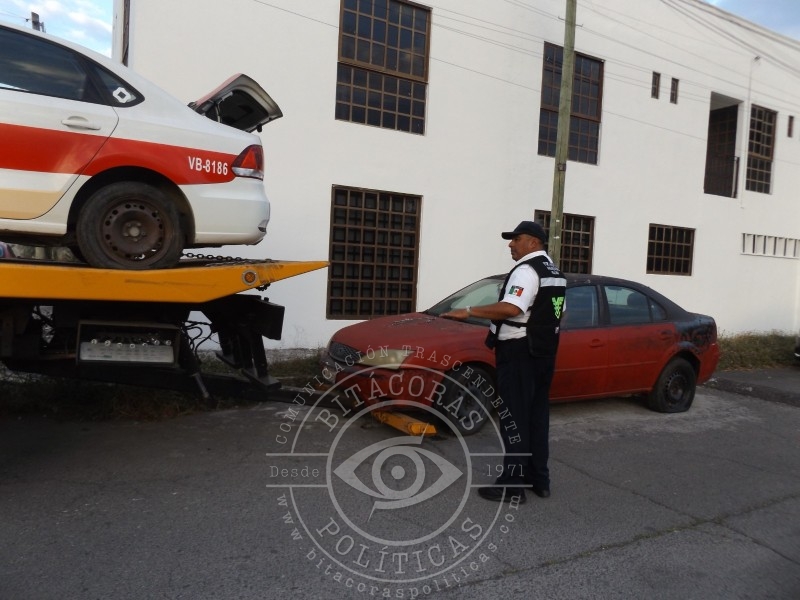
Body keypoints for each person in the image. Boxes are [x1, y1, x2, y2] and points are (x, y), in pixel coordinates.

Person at [442, 220, 565, 503]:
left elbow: (511, 308)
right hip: (544, 352)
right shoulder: (554, 273)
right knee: (537, 418)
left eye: (516, 239)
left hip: (519, 352)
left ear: (533, 242)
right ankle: (539, 479)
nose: (511, 244)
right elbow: (559, 313)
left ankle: (512, 486)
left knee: (514, 419)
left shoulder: (526, 271)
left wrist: (468, 311)